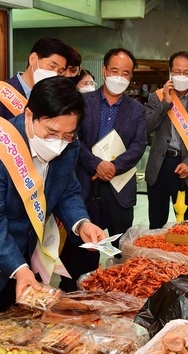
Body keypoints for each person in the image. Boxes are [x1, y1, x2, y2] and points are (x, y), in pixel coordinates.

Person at [0, 77, 106, 348]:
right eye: (51, 132)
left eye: (67, 135)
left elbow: (67, 189)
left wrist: (80, 223)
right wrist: (19, 268)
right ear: (29, 115)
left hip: (15, 253)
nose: (59, 142)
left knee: (10, 336)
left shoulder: (68, 142)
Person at [59, 48, 147, 292]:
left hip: (118, 190)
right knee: (80, 250)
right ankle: (73, 295)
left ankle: (115, 298)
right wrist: (95, 164)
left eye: (126, 73)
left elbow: (139, 144)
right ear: (104, 70)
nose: (119, 77)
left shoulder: (137, 109)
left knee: (120, 252)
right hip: (84, 186)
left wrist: (113, 167)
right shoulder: (83, 102)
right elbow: (74, 137)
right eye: (115, 71)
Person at [145, 51, 188, 228]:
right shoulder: (156, 97)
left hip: (186, 167)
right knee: (156, 223)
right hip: (159, 167)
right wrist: (165, 103)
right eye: (176, 71)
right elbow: (147, 128)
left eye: (185, 72)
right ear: (169, 72)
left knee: (186, 224)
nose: (180, 76)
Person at [0, 37, 72, 135]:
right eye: (51, 66)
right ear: (33, 59)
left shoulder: (53, 98)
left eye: (60, 71)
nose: (54, 74)